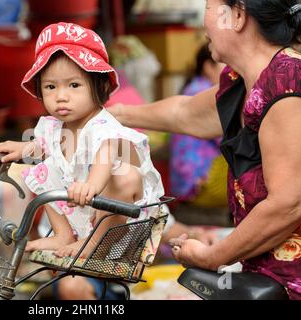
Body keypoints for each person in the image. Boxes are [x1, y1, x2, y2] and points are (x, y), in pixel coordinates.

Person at [108, 0, 301, 299]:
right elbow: (184, 113)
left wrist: (213, 256)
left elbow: (288, 203)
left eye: (209, 6)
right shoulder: (245, 81)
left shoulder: (287, 84)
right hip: (268, 277)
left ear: (237, 15)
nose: (203, 22)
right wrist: (112, 115)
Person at [0, 22, 166, 259]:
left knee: (125, 176)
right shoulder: (52, 126)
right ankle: (63, 233)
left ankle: (95, 242)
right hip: (82, 217)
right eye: (51, 87)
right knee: (45, 167)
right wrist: (22, 148)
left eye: (74, 85)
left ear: (100, 85)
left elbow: (107, 153)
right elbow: (43, 147)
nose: (61, 97)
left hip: (121, 222)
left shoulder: (103, 126)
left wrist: (91, 186)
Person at [170, 43, 228, 208]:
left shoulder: (193, 87)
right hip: (200, 183)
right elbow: (227, 136)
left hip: (185, 184)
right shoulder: (205, 92)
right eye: (226, 64)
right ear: (208, 67)